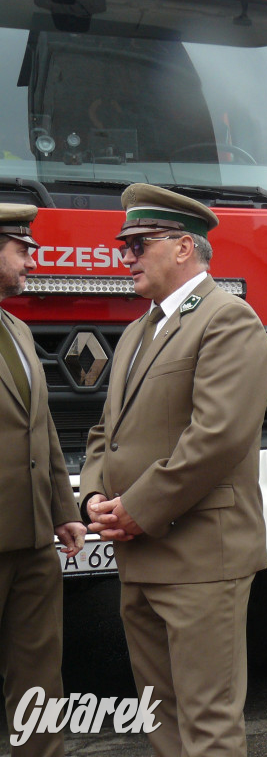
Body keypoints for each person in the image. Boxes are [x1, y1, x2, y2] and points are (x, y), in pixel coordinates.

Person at [81, 184, 267, 757]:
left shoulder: (227, 321)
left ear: (184, 247)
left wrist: (136, 510)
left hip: (199, 561)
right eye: (126, 246)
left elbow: (215, 439)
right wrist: (92, 497)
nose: (126, 257)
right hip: (139, 557)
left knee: (208, 726)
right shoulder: (140, 331)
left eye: (139, 244)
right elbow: (104, 432)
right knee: (159, 719)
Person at [0, 204, 86, 757]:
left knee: (38, 685)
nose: (32, 256)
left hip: (31, 542)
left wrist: (64, 509)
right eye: (20, 246)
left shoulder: (19, 330)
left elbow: (43, 432)